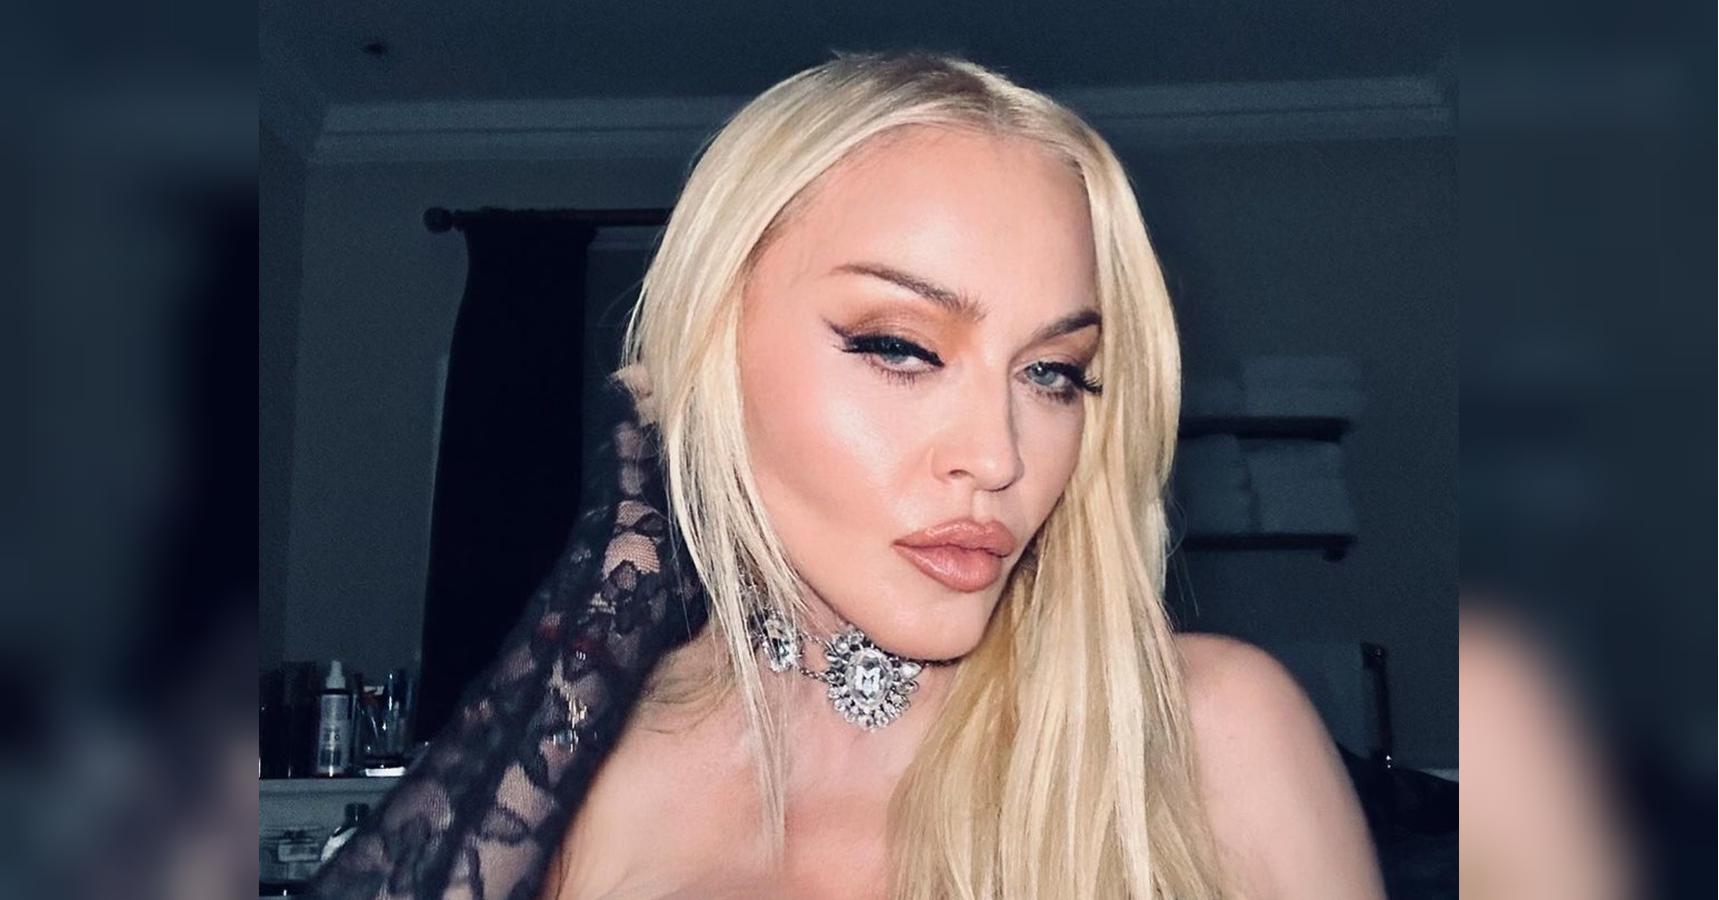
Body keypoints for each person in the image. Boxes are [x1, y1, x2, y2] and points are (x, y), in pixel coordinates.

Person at [309, 50, 1383, 900]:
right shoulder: (577, 776)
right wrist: (603, 598)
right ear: (707, 353)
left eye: (1052, 372)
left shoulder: (1210, 737)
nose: (998, 456)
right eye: (901, 348)